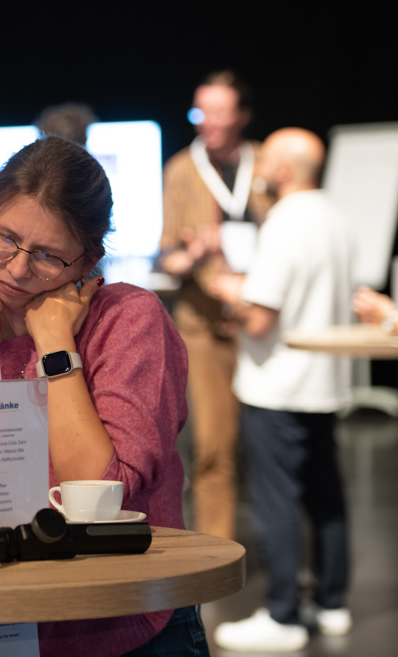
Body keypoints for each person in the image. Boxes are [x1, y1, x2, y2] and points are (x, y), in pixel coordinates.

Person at [0, 137, 204, 656]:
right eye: (4, 239)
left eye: (47, 256)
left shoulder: (129, 322)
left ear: (88, 258)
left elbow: (102, 493)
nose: (18, 270)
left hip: (120, 625)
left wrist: (56, 344)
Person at [210, 128, 353, 652]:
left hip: (278, 385)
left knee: (275, 502)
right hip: (326, 382)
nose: (259, 163)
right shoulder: (338, 218)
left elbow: (261, 318)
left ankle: (284, 614)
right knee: (326, 497)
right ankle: (332, 603)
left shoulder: (285, 223)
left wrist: (231, 292)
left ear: (285, 169)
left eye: (266, 156)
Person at [157, 70, 271, 541]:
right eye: (201, 112)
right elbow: (168, 257)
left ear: (241, 115)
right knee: (212, 450)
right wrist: (198, 254)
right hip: (204, 325)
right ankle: (220, 552)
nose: (210, 123)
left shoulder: (266, 163)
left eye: (221, 113)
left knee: (271, 449)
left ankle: (280, 556)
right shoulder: (182, 169)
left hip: (264, 321)